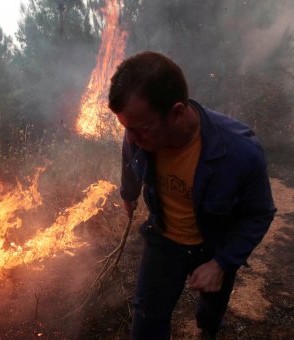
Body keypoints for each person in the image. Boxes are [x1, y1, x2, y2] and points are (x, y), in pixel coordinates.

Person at [108, 51, 276, 339]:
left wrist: (222, 264)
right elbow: (129, 156)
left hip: (215, 243)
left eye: (140, 129)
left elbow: (259, 213)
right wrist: (129, 192)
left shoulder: (239, 151)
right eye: (127, 129)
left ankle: (208, 327)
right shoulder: (139, 131)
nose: (132, 138)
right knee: (147, 320)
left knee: (210, 313)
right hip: (164, 240)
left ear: (176, 112)